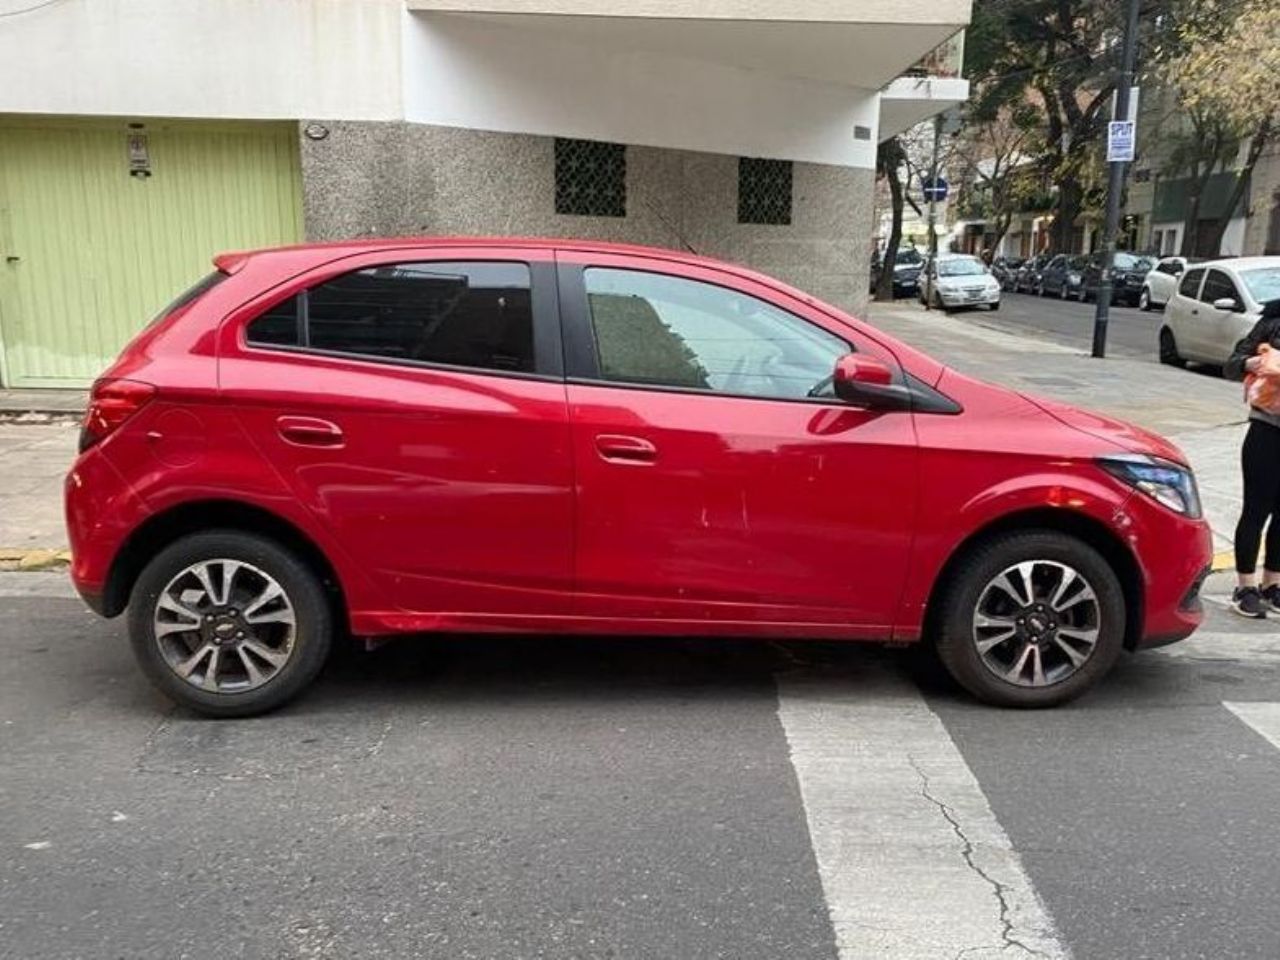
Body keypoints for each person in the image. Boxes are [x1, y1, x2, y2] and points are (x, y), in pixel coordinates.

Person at [1224, 298, 1280, 617]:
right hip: (1266, 429)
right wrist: (1251, 364)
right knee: (1255, 510)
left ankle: (1273, 584)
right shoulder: (1271, 321)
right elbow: (1232, 362)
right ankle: (1245, 586)